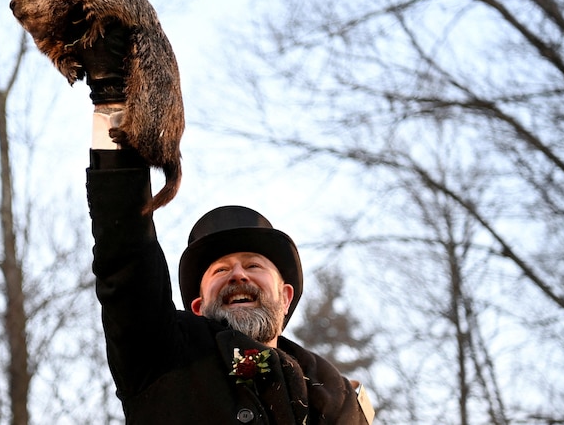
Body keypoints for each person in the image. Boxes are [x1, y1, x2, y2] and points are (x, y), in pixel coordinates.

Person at [87, 147, 374, 424]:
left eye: (253, 265)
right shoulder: (162, 359)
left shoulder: (336, 402)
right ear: (198, 308)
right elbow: (128, 261)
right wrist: (115, 130)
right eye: (220, 270)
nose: (238, 275)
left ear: (285, 298)